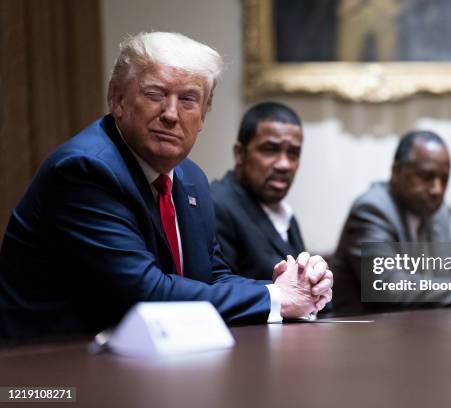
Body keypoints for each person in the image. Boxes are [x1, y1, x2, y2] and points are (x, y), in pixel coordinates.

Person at [0, 32, 332, 341]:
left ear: (203, 117)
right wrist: (276, 298)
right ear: (117, 100)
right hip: (48, 368)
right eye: (155, 94)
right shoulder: (85, 170)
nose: (171, 114)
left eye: (188, 99)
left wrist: (293, 287)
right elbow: (144, 294)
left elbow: (211, 276)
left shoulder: (191, 179)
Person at [332, 130, 451, 314]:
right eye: (426, 177)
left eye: (444, 179)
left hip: (415, 332)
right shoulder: (372, 210)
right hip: (362, 336)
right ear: (396, 172)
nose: (437, 189)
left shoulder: (437, 211)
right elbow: (389, 288)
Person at [211, 102, 306, 281]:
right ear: (240, 154)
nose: (284, 164)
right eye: (270, 150)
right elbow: (225, 291)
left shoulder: (283, 211)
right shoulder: (216, 206)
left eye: (293, 153)